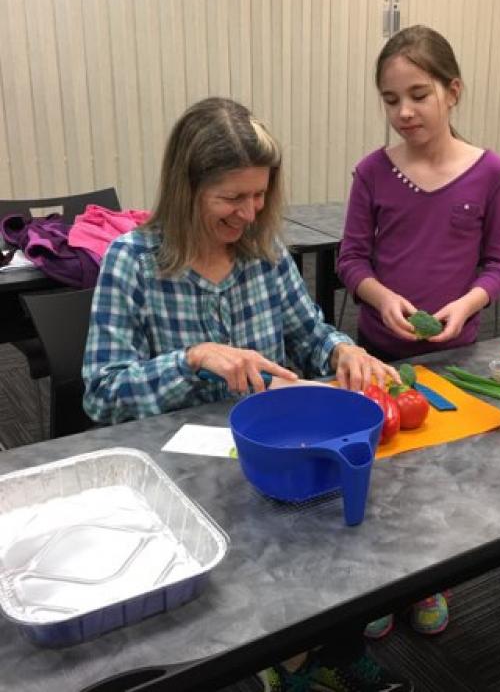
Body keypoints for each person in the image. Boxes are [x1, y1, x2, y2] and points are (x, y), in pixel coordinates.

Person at [83, 97, 412, 692]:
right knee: (247, 574)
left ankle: (330, 648)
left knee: (342, 526)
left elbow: (312, 334)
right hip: (185, 474)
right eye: (231, 198)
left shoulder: (264, 252)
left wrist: (343, 351)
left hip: (276, 452)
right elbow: (102, 395)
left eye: (259, 195)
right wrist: (192, 359)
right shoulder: (132, 262)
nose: (250, 212)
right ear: (187, 190)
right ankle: (281, 657)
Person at [337, 25, 500, 639]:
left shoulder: (491, 174)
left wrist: (467, 305)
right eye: (390, 100)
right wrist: (382, 297)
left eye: (418, 94)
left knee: (442, 476)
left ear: (453, 91)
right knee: (381, 474)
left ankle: (431, 578)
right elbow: (351, 261)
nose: (404, 112)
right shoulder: (372, 173)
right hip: (377, 357)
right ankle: (379, 583)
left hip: (450, 354)